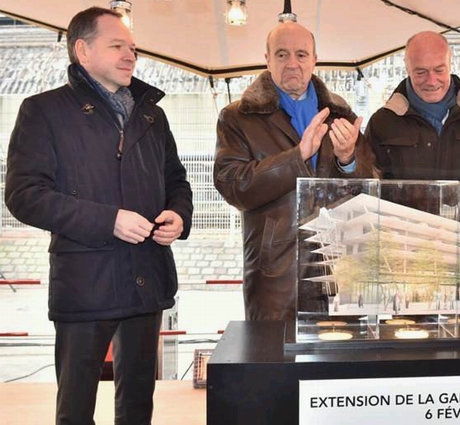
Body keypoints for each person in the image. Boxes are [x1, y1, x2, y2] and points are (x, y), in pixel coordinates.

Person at [4, 7, 193, 424]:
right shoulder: (43, 111)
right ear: (83, 50)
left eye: (133, 48)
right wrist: (108, 220)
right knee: (75, 409)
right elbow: (24, 195)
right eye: (117, 46)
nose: (131, 56)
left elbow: (177, 181)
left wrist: (177, 215)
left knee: (138, 404)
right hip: (86, 284)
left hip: (147, 277)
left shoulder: (151, 114)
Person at [213, 21, 377, 322]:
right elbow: (234, 186)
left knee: (337, 364)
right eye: (282, 54)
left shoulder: (341, 115)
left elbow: (372, 188)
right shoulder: (238, 117)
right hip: (275, 272)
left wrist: (348, 160)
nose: (292, 63)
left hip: (340, 268)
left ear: (315, 60)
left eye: (301, 55)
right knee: (273, 364)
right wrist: (297, 157)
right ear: (267, 59)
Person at [365, 31, 460, 181]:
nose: (432, 81)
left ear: (450, 64)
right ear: (407, 68)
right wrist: (347, 158)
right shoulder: (382, 122)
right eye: (421, 72)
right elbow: (368, 181)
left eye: (439, 70)